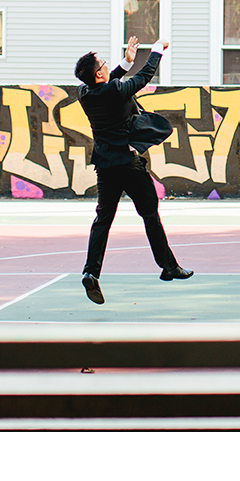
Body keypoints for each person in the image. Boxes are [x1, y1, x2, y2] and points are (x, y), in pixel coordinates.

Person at [73, 36, 192, 304]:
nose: (107, 65)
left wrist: (126, 62)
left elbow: (108, 82)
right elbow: (144, 77)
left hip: (105, 166)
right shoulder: (114, 91)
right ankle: (169, 266)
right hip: (128, 165)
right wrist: (156, 50)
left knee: (103, 219)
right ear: (99, 73)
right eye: (103, 63)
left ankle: (91, 272)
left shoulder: (84, 93)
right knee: (149, 214)